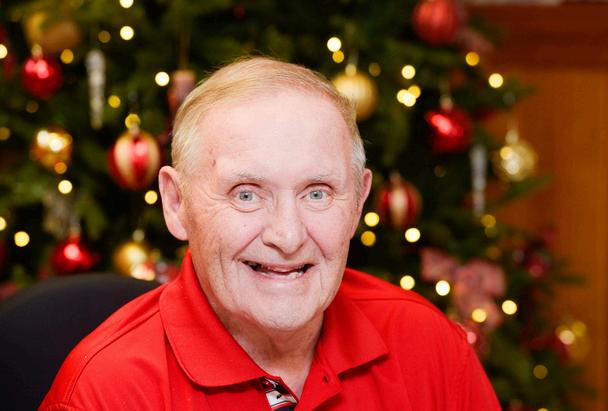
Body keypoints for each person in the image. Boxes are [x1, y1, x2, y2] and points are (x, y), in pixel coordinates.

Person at [40, 57, 501, 410]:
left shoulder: (429, 346)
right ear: (177, 204)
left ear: (358, 203)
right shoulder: (106, 393)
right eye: (246, 194)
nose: (287, 235)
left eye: (317, 193)